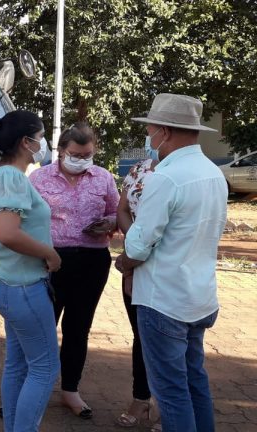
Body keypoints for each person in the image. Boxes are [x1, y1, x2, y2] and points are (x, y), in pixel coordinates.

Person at [115, 93, 227, 432]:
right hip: (198, 296)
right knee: (195, 382)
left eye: (150, 130)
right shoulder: (213, 174)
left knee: (172, 392)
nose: (148, 137)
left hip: (164, 301)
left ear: (164, 131)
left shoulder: (166, 177)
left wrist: (124, 263)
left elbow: (140, 243)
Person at [29, 122, 119, 419]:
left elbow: (116, 212)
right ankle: (30, 390)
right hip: (50, 261)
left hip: (92, 261)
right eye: (76, 154)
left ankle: (70, 390)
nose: (82, 159)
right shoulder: (39, 178)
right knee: (41, 327)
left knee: (78, 328)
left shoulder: (103, 178)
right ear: (61, 151)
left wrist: (108, 223)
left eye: (87, 154)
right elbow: (26, 219)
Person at [0, 110, 61, 432]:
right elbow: (8, 233)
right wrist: (49, 253)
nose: (44, 144)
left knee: (19, 364)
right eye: (41, 138)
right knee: (45, 367)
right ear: (26, 142)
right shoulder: (10, 177)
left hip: (11, 284)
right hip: (23, 286)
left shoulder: (4, 176)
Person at [115, 146, 162, 430]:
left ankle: (166, 404)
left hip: (167, 269)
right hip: (135, 264)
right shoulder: (139, 169)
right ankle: (141, 398)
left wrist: (137, 253)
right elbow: (122, 209)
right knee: (141, 335)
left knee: (167, 339)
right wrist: (135, 246)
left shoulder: (185, 173)